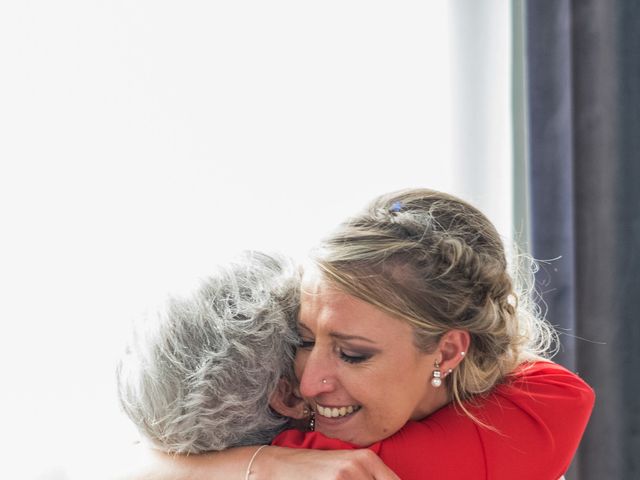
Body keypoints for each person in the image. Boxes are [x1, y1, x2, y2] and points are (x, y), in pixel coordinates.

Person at [119, 189, 594, 480]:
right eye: (305, 340)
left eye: (352, 353)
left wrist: (264, 466)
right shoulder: (538, 403)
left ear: (448, 349)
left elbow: (140, 470)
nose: (308, 384)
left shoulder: (349, 463)